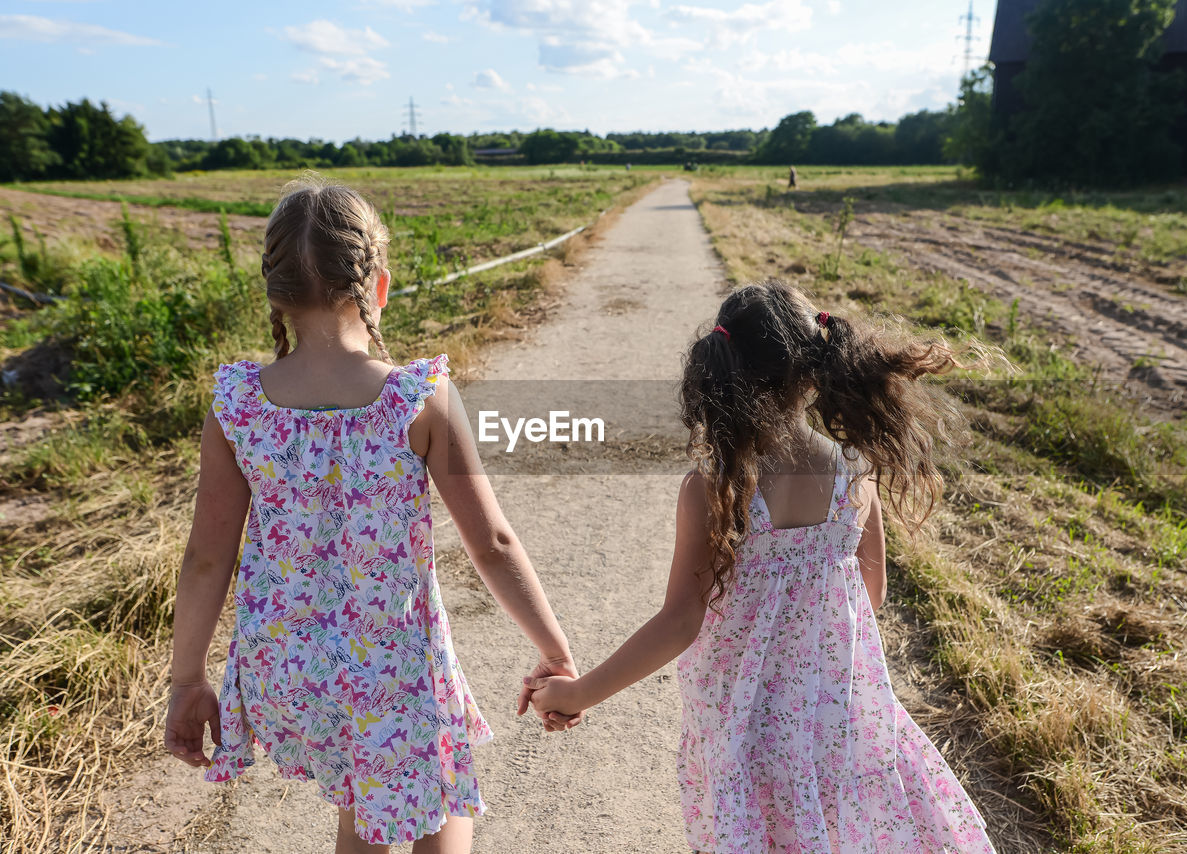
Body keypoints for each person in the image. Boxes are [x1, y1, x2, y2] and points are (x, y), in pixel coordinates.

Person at [164, 179, 579, 854]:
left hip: (286, 668)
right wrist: (556, 652)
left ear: (274, 293)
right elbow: (493, 544)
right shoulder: (417, 398)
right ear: (378, 285)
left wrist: (187, 681)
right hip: (390, 670)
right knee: (440, 794)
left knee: (365, 809)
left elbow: (206, 557)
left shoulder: (238, 404)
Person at [526, 281, 994, 852]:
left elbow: (680, 620)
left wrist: (579, 694)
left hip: (743, 720)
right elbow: (871, 592)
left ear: (727, 378)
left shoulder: (718, 488)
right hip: (836, 710)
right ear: (814, 369)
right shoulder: (855, 471)